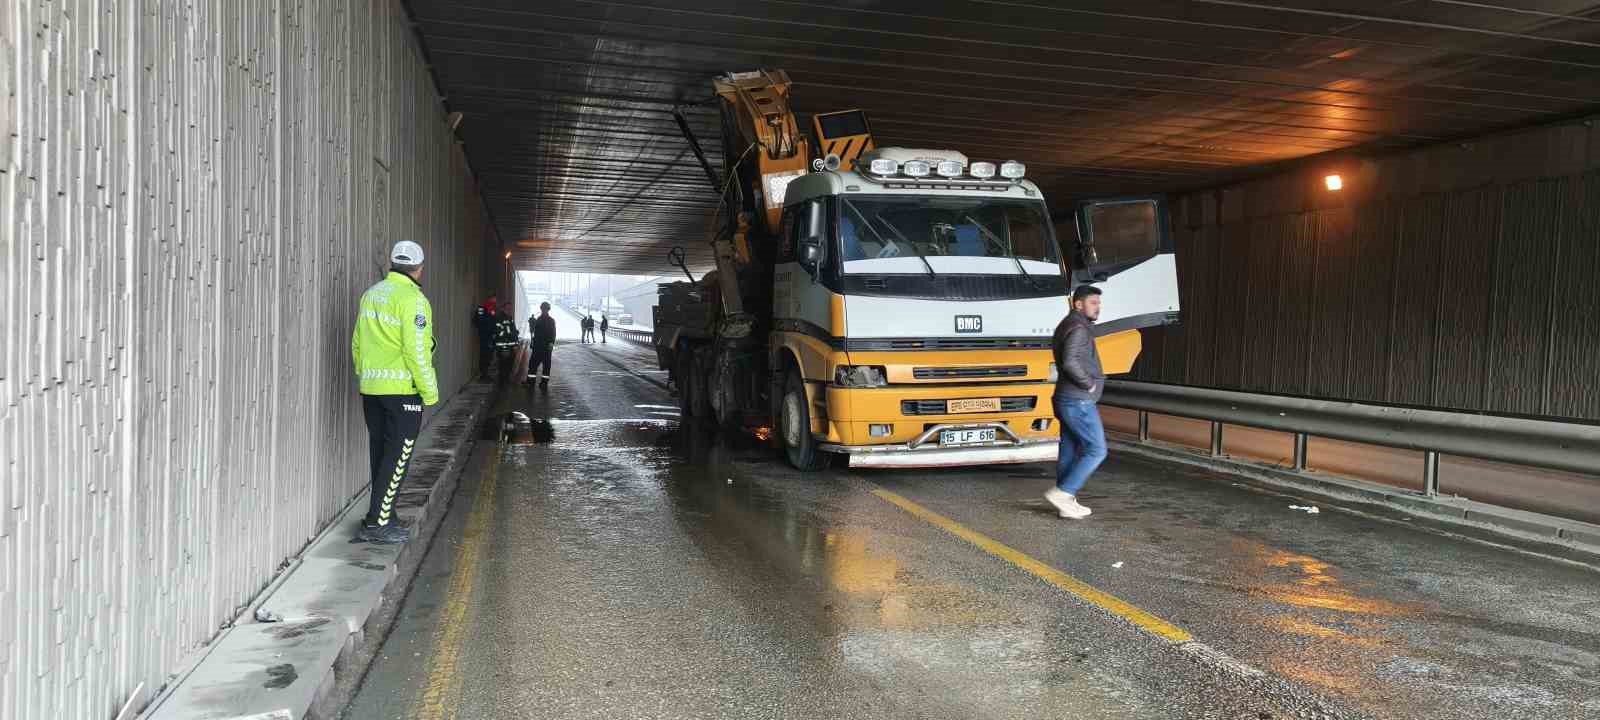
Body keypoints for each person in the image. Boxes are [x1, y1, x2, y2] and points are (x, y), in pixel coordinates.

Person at [350, 241, 438, 544]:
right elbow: (417, 351)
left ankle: (382, 514)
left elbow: (358, 342)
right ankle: (377, 524)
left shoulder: (371, 295)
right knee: (398, 456)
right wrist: (429, 391)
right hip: (401, 391)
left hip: (372, 389)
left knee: (381, 453)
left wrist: (366, 376)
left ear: (393, 263)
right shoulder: (414, 301)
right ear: (419, 268)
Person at [1045, 285, 1107, 521]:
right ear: (1077, 304)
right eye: (1093, 303)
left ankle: (1066, 502)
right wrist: (1088, 384)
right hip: (1077, 400)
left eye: (1098, 303)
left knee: (1069, 451)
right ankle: (1064, 493)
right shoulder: (1079, 328)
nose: (1098, 307)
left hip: (1066, 398)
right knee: (1097, 449)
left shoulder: (1067, 325)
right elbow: (1070, 362)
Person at [529, 302, 557, 390]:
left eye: (545, 309)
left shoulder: (541, 320)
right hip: (541, 347)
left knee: (536, 365)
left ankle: (535, 383)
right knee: (538, 366)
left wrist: (551, 344)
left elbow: (552, 334)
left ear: (547, 309)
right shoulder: (544, 320)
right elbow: (536, 334)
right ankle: (537, 383)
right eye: (543, 309)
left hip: (541, 347)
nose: (544, 310)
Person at [492, 307, 520, 385]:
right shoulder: (503, 319)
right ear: (503, 309)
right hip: (505, 345)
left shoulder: (508, 319)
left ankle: (503, 379)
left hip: (506, 345)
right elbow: (507, 332)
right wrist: (514, 339)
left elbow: (512, 331)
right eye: (508, 309)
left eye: (509, 309)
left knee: (505, 363)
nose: (509, 310)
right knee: (505, 364)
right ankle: (503, 380)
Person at [473, 293, 498, 380]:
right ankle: (483, 374)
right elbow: (478, 320)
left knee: (489, 355)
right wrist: (484, 329)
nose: (494, 301)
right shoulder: (481, 309)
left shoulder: (493, 310)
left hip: (491, 337)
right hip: (484, 336)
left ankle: (486, 373)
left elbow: (494, 322)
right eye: (493, 299)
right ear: (489, 299)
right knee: (484, 355)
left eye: (495, 300)